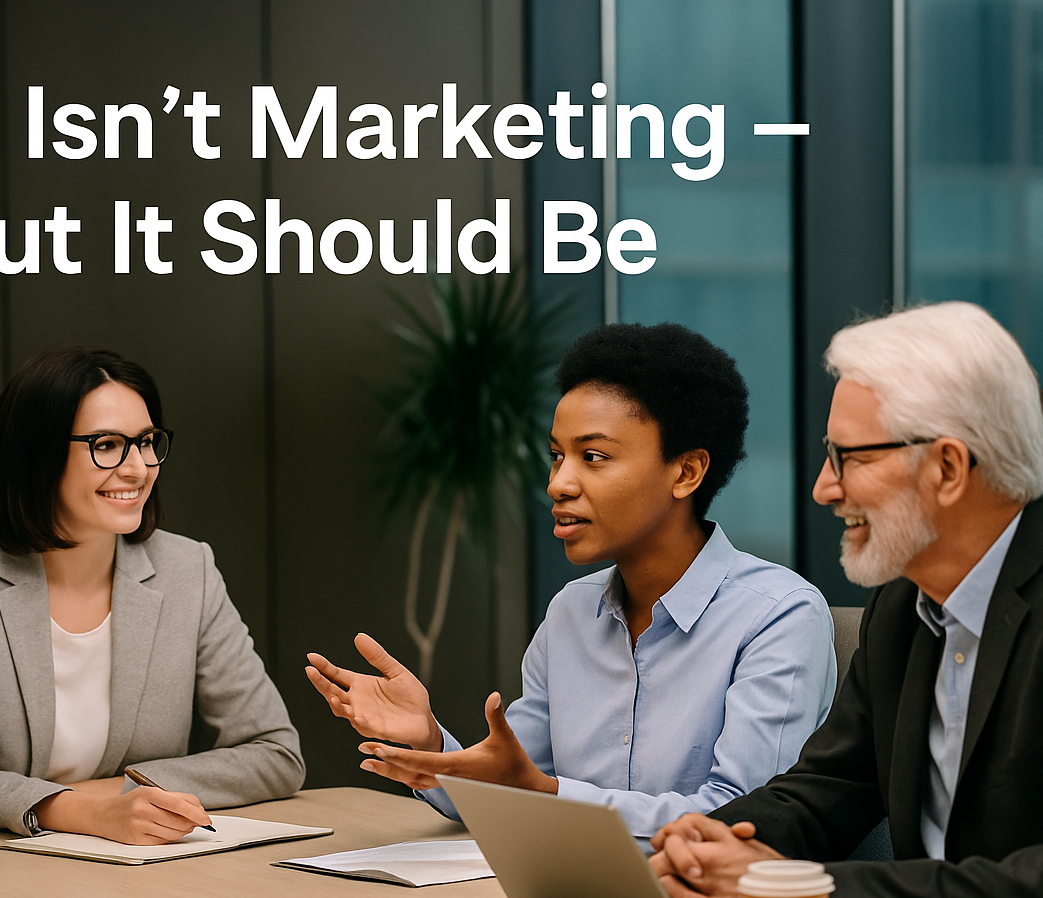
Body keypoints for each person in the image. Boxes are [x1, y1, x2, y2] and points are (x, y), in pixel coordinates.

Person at [306, 323, 837, 843]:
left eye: (595, 457)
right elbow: (515, 784)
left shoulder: (779, 614)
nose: (557, 483)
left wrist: (549, 793)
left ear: (686, 472)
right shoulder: (571, 612)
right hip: (574, 897)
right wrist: (430, 741)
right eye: (557, 455)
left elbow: (742, 819)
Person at [649, 302, 1043, 898]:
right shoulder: (903, 607)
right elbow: (829, 785)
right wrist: (712, 842)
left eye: (849, 458)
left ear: (946, 467)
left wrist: (796, 890)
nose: (824, 489)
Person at [0, 346, 303, 845]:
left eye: (147, 442)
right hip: (7, 873)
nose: (137, 468)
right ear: (37, 452)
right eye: (108, 444)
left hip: (146, 870)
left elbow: (274, 753)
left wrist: (117, 793)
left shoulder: (188, 570)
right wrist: (82, 812)